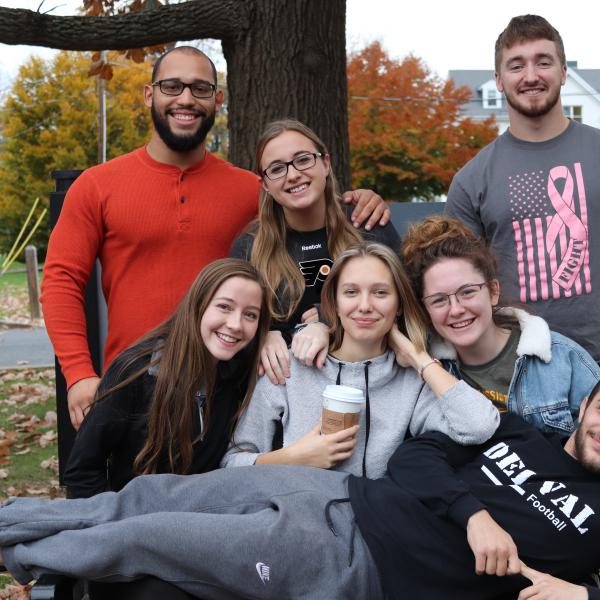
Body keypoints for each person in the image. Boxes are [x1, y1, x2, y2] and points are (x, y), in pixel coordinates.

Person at [41, 46, 390, 430]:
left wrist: (359, 201)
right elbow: (61, 282)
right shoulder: (97, 185)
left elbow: (306, 212)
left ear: (217, 100)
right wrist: (78, 373)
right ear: (148, 94)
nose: (186, 99)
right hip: (132, 385)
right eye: (171, 86)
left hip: (228, 391)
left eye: (200, 89)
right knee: (128, 490)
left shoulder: (251, 189)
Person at [2, 383, 600, 599]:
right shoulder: (519, 430)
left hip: (353, 566)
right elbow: (419, 456)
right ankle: (10, 523)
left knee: (149, 537)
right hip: (333, 490)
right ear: (587, 404)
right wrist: (473, 515)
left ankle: (22, 557)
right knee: (150, 494)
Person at [222, 241, 499, 478]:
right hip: (295, 519)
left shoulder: (410, 380)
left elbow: (478, 426)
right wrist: (293, 457)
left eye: (380, 293)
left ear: (399, 304)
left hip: (374, 526)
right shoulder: (291, 365)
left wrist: (417, 356)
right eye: (351, 292)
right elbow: (232, 463)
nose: (364, 306)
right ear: (335, 302)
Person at [445, 14, 600, 364]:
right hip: (516, 372)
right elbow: (455, 284)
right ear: (499, 80)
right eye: (516, 66)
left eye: (543, 62)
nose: (531, 76)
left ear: (563, 71)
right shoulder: (471, 181)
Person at [63, 258, 271, 499]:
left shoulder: (241, 372)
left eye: (250, 315)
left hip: (206, 520)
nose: (236, 324)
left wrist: (279, 334)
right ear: (199, 304)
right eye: (224, 307)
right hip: (133, 521)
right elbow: (82, 472)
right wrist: (111, 525)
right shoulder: (137, 370)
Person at [231, 119, 401, 384]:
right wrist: (263, 334)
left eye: (303, 159)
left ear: (326, 163)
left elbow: (405, 307)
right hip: (285, 392)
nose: (293, 174)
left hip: (370, 382)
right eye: (277, 169)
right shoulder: (250, 246)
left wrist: (329, 320)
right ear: (265, 184)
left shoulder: (366, 225)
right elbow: (233, 321)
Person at [401, 215, 600, 434]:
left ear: (493, 291)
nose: (456, 309)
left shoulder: (564, 359)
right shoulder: (425, 374)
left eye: (467, 292)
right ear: (425, 309)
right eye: (439, 300)